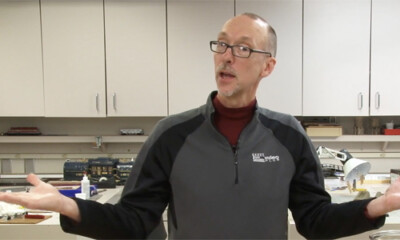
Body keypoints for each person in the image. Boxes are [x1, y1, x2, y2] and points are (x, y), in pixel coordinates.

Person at [1, 12, 400, 239]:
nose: (226, 56)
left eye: (243, 48)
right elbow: (134, 220)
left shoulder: (289, 135)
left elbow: (315, 221)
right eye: (221, 44)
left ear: (268, 65)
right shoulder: (171, 135)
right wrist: (68, 205)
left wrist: (376, 206)